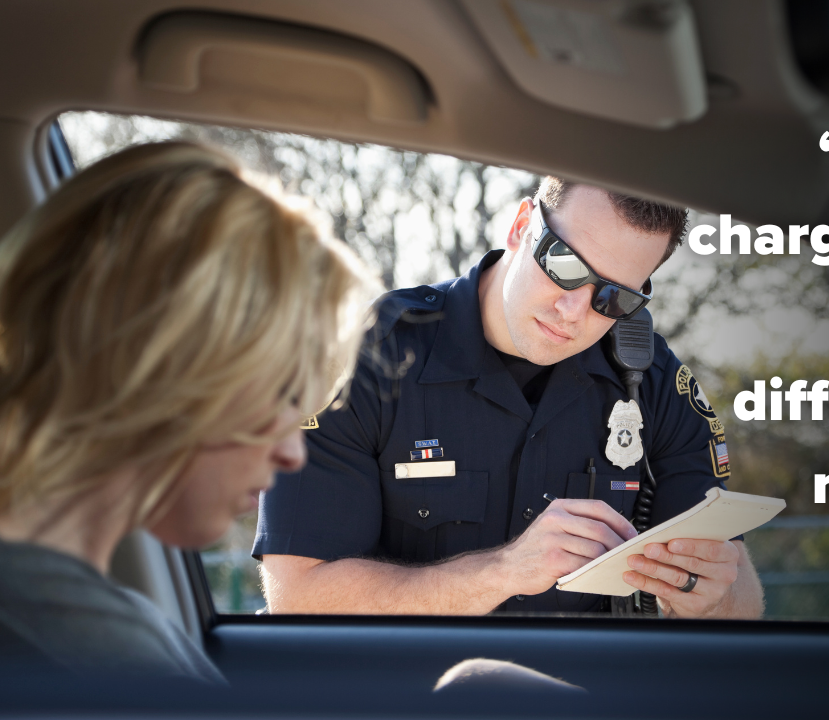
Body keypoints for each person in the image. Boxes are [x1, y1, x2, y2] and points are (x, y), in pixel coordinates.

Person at [0, 141, 373, 680]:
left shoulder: (41, 611)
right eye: (283, 394)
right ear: (169, 366)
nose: (293, 453)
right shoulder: (83, 654)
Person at [257, 177, 765, 618]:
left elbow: (741, 594)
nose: (573, 310)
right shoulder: (359, 360)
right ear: (522, 225)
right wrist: (501, 571)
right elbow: (298, 595)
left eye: (614, 297)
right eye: (564, 265)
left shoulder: (652, 381)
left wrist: (710, 595)